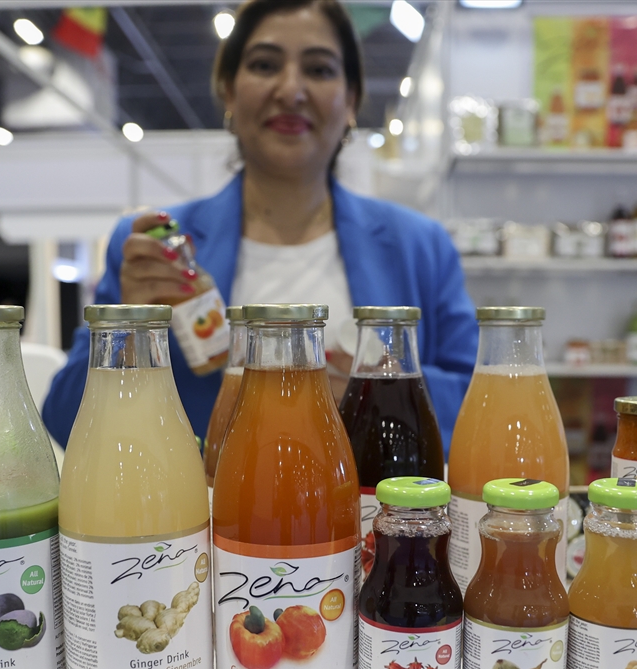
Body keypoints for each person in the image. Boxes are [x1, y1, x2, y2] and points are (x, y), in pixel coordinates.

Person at [42, 0, 477, 454]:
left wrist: (382, 391)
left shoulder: (420, 247)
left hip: (372, 498)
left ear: (350, 99)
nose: (290, 90)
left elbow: (476, 403)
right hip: (205, 498)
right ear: (228, 91)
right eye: (265, 65)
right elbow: (63, 419)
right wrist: (126, 334)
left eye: (319, 69)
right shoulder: (155, 249)